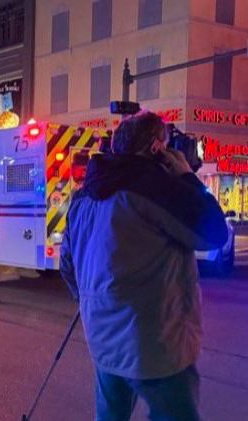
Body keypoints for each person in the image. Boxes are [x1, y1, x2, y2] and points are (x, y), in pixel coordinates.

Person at [60, 111, 228, 421]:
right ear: (156, 149)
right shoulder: (154, 189)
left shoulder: (82, 197)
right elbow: (215, 232)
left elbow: (68, 266)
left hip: (103, 342)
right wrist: (186, 175)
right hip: (155, 348)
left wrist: (95, 304)